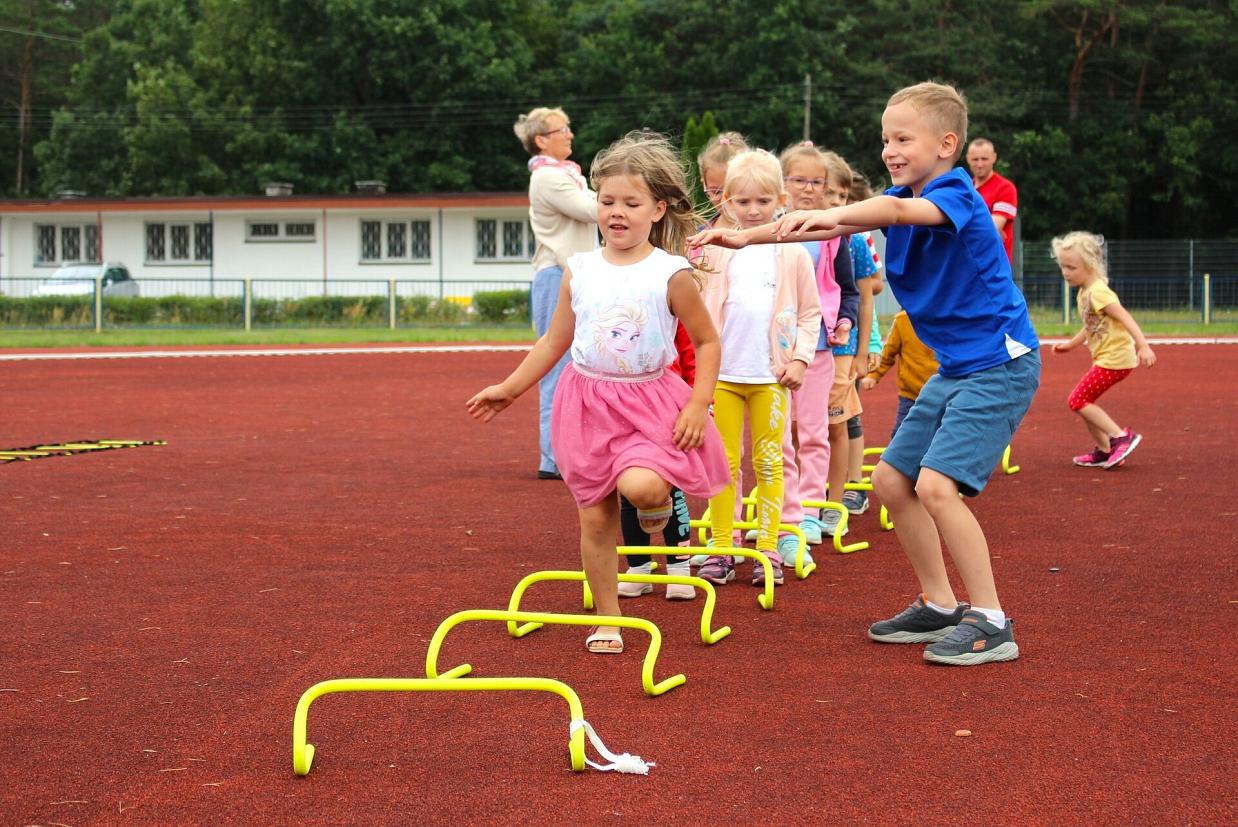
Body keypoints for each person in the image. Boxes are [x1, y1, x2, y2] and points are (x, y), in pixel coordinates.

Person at [690, 81, 1041, 666]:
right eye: (885, 139)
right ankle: (940, 602)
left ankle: (992, 619)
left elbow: (894, 211)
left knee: (935, 486)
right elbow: (830, 228)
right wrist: (743, 236)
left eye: (904, 138)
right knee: (890, 484)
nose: (890, 149)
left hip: (999, 364)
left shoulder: (953, 192)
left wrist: (836, 211)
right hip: (957, 367)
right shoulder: (902, 196)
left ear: (947, 144)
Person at [469, 131, 729, 654]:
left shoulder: (671, 273)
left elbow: (705, 340)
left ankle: (657, 512)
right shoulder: (579, 269)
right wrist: (510, 389)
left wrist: (700, 401)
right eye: (607, 201)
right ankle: (609, 618)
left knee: (645, 488)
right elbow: (554, 341)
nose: (616, 212)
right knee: (594, 516)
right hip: (586, 403)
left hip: (649, 400)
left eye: (631, 203)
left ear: (657, 209)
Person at [695, 150, 821, 587]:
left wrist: (801, 358)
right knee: (724, 464)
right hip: (723, 379)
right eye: (743, 202)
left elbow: (810, 313)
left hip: (772, 378)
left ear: (781, 200)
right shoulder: (714, 254)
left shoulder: (793, 255)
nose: (753, 211)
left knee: (770, 463)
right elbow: (696, 312)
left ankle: (767, 545)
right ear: (726, 200)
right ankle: (722, 546)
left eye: (763, 202)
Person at [773, 142, 858, 552]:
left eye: (817, 182)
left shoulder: (832, 232)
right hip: (774, 346)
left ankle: (807, 509)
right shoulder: (769, 229)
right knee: (778, 434)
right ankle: (783, 508)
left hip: (820, 344)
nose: (808, 189)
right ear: (782, 184)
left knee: (813, 431)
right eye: (799, 180)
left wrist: (845, 320)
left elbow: (848, 288)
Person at [514, 107, 598, 480]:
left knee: (579, 366)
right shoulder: (549, 177)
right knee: (555, 368)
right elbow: (591, 209)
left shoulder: (568, 175)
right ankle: (553, 459)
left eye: (568, 128)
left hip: (576, 274)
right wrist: (631, 199)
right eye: (561, 130)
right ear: (541, 140)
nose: (570, 135)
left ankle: (569, 453)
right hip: (556, 275)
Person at [1050, 231, 1156, 468]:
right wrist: (1070, 345)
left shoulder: (1098, 292)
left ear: (1090, 266)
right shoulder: (1085, 292)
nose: (1066, 272)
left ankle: (1121, 437)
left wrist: (1143, 345)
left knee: (1077, 400)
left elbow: (1125, 317)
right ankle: (1105, 450)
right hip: (1107, 358)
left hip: (1115, 359)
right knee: (1084, 402)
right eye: (1063, 266)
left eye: (1072, 267)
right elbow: (1090, 326)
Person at [861, 309, 938, 438]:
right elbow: (888, 354)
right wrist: (874, 375)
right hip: (911, 395)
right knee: (900, 436)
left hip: (943, 395)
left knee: (941, 437)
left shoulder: (948, 320)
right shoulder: (902, 321)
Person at [966, 138, 1017, 263]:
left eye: (984, 159)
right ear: (967, 159)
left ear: (994, 158)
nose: (979, 164)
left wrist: (961, 224)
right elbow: (985, 229)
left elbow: (990, 229)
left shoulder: (1005, 188)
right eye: (975, 159)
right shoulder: (964, 190)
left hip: (994, 267)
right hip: (967, 265)